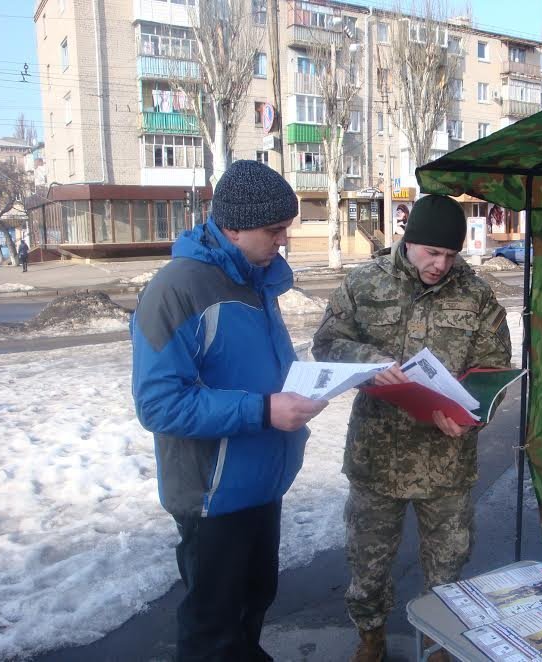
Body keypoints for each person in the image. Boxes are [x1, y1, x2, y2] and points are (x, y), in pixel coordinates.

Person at [130, 160, 328, 662]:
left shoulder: (257, 279)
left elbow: (258, 367)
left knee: (253, 605)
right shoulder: (177, 289)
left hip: (262, 480)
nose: (283, 239)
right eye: (274, 229)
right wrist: (264, 410)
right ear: (233, 226)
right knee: (211, 628)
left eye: (287, 227)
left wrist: (302, 392)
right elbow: (159, 404)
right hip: (212, 493)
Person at [312, 194, 512, 662]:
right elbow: (326, 344)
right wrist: (371, 362)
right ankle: (370, 635)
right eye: (431, 253)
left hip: (446, 460)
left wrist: (471, 416)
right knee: (368, 563)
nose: (441, 265)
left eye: (450, 254)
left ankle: (440, 642)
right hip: (376, 457)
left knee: (448, 565)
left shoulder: (477, 296)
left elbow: (494, 371)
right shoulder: (363, 283)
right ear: (408, 241)